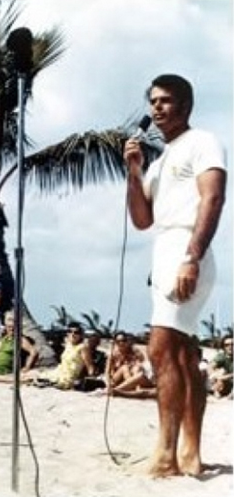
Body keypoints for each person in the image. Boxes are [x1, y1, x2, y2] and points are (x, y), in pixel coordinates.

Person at [123, 74, 226, 477]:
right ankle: (189, 453)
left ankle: (166, 453)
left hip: (186, 249)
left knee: (161, 349)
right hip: (164, 249)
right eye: (153, 101)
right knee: (182, 356)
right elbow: (142, 219)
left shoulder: (203, 142)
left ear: (185, 104)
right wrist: (134, 173)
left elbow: (213, 198)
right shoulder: (160, 160)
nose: (157, 108)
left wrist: (192, 256)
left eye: (166, 100)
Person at [0, 311, 38, 381]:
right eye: (9, 327)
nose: (11, 329)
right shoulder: (3, 339)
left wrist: (27, 367)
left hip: (7, 370)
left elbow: (34, 352)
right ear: (6, 327)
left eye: (13, 327)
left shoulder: (20, 339)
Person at [33, 322, 96, 390]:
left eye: (76, 332)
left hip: (68, 378)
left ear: (80, 335)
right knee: (32, 375)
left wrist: (91, 378)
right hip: (59, 372)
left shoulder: (83, 348)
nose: (73, 334)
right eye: (70, 331)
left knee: (35, 377)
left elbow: (90, 366)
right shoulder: (68, 345)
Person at [105, 331, 155, 396]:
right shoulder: (113, 354)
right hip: (117, 377)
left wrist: (136, 365)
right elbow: (107, 372)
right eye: (118, 341)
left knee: (137, 368)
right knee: (124, 368)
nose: (121, 343)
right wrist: (108, 383)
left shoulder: (134, 352)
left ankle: (134, 387)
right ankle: (133, 388)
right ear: (115, 342)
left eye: (123, 340)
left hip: (131, 376)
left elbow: (143, 364)